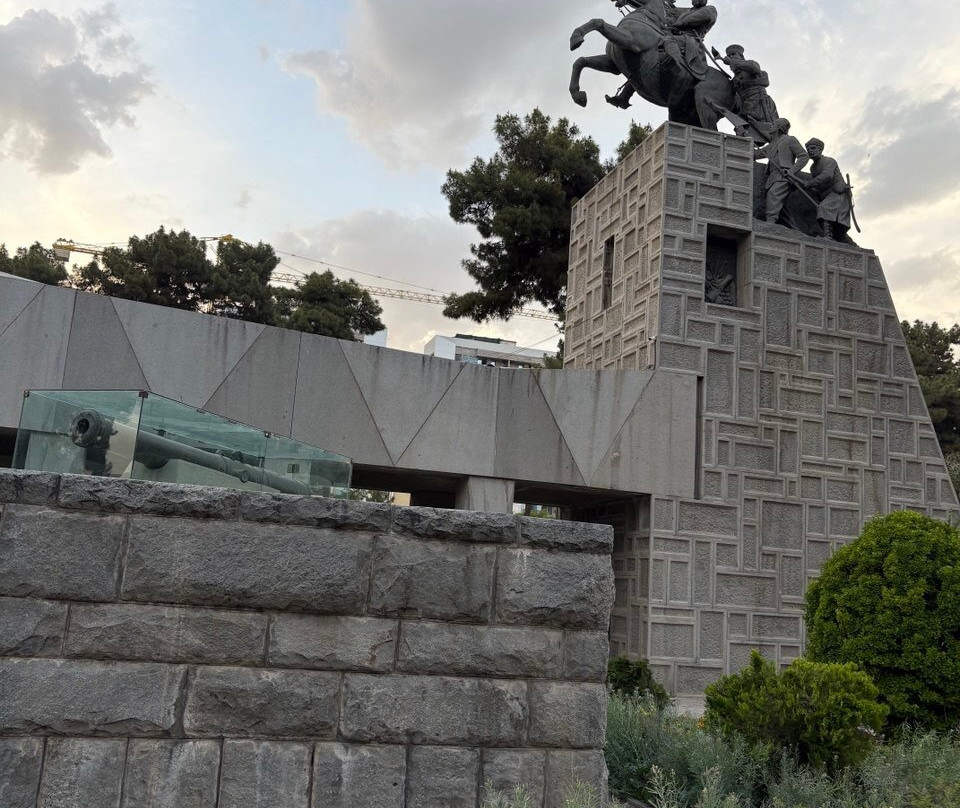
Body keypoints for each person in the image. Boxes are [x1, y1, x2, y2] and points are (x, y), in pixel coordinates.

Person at [756, 118, 808, 225]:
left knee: (773, 194)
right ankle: (787, 224)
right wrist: (743, 136)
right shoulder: (771, 145)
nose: (771, 126)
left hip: (784, 174)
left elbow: (803, 156)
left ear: (780, 127)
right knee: (776, 200)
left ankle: (770, 221)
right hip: (772, 175)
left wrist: (792, 171)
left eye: (774, 124)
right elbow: (755, 154)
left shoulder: (790, 140)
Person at [798, 138, 852, 240]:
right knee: (822, 208)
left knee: (824, 207)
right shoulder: (813, 168)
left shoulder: (829, 161)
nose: (810, 151)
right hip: (826, 194)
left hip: (838, 193)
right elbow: (818, 186)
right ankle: (829, 234)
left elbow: (827, 176)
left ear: (820, 150)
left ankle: (828, 236)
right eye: (808, 149)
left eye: (813, 148)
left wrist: (810, 183)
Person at [720, 44, 779, 135]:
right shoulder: (734, 79)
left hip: (759, 104)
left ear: (741, 56)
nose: (731, 57)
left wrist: (732, 62)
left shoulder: (751, 65)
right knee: (743, 131)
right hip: (744, 108)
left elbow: (754, 69)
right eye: (729, 56)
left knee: (770, 131)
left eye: (733, 54)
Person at [669, 0, 717, 80]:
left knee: (667, 41)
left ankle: (677, 68)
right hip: (677, 35)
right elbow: (670, 10)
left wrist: (681, 22)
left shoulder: (710, 9)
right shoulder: (686, 11)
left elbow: (706, 15)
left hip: (691, 40)